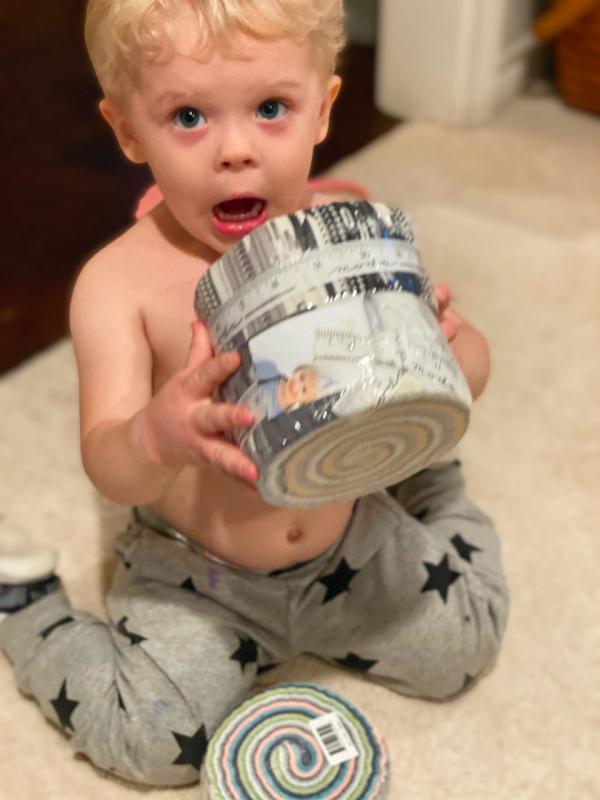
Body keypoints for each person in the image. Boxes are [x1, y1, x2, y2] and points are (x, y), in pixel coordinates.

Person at [0, 0, 509, 788]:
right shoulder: (118, 286)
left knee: (464, 645)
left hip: (350, 534)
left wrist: (448, 355)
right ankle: (22, 600)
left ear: (323, 110)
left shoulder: (351, 235)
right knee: (152, 743)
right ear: (128, 130)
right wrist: (157, 437)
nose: (236, 151)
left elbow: (469, 373)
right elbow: (108, 464)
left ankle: (427, 480)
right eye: (189, 116)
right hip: (200, 573)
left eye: (272, 108)